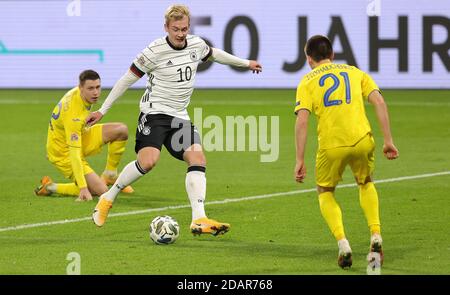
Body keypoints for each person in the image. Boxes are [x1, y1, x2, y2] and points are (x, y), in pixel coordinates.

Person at [86, 4, 262, 235]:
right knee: (148, 162)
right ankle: (108, 198)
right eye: (176, 29)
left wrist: (245, 63)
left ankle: (199, 218)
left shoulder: (196, 44)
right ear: (166, 27)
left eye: (184, 29)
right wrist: (103, 110)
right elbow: (126, 80)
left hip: (180, 116)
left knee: (197, 157)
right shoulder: (153, 51)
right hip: (154, 114)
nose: (181, 34)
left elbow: (215, 54)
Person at [294, 35, 399, 269]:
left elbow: (302, 120)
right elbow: (379, 102)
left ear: (309, 59)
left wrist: (300, 159)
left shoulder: (306, 81)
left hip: (332, 146)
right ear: (332, 55)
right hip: (363, 139)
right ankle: (375, 234)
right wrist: (388, 140)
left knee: (325, 191)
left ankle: (343, 243)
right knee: (365, 182)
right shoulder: (354, 72)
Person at [34, 70, 134, 202]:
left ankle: (110, 174)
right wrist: (82, 188)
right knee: (102, 191)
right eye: (91, 88)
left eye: (98, 87)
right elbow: (74, 154)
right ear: (80, 88)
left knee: (121, 130)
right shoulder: (72, 114)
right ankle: (51, 187)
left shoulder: (81, 95)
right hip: (64, 153)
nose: (95, 92)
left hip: (80, 136)